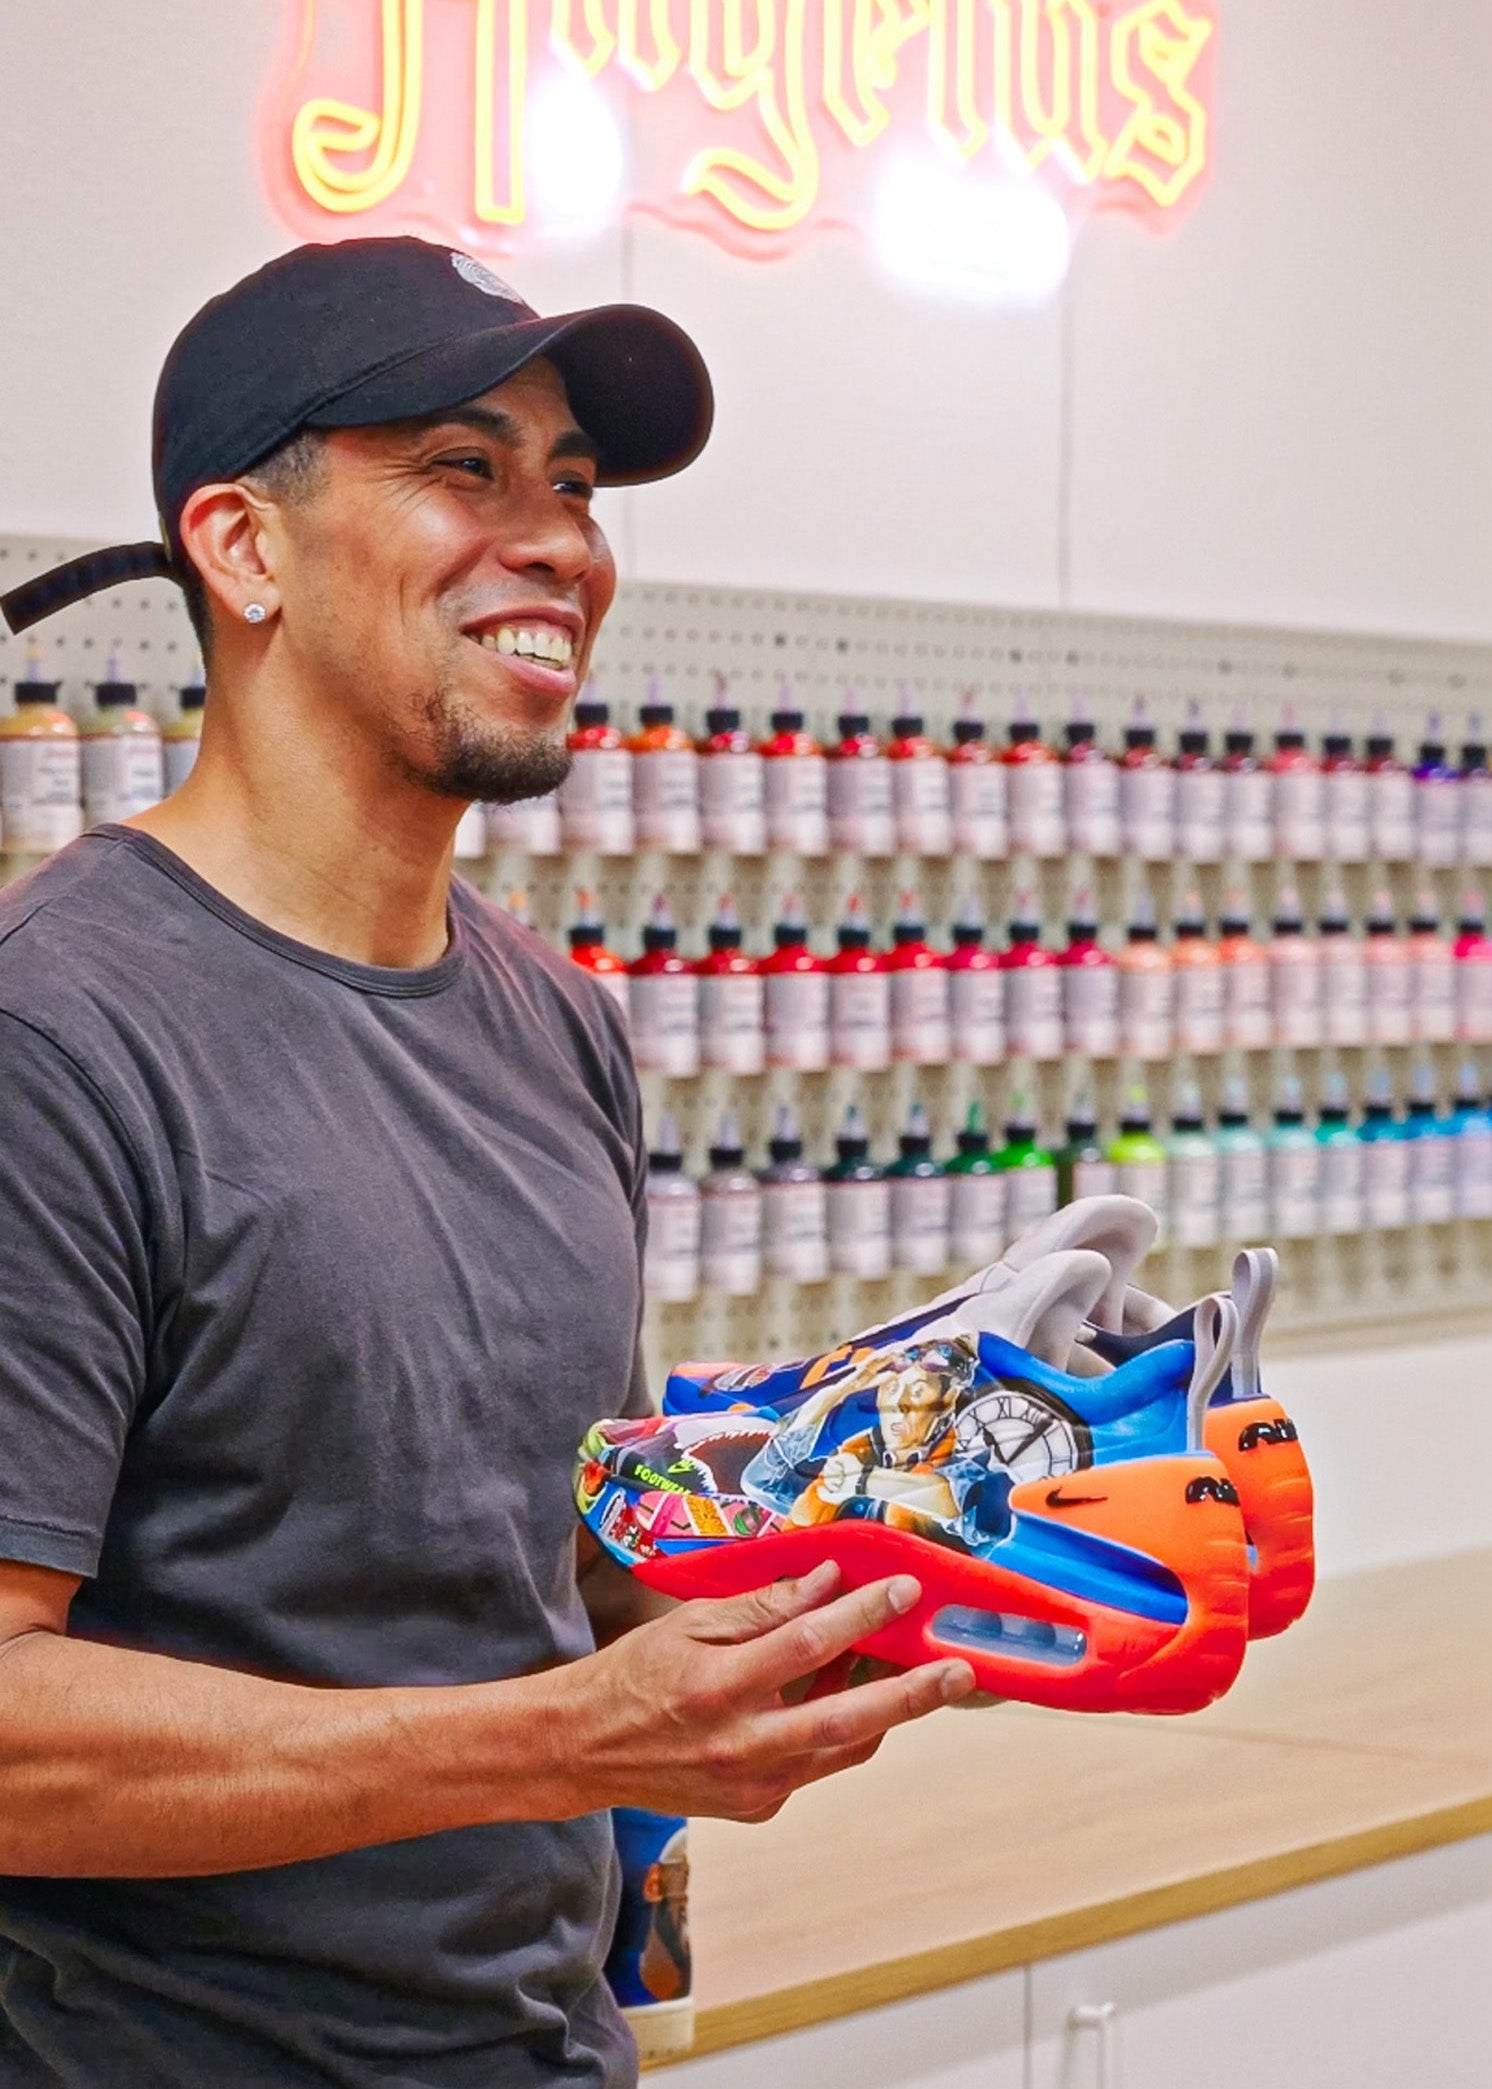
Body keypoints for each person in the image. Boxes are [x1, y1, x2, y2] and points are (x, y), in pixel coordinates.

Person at [0, 237, 975, 2087]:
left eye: (577, 487)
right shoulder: (58, 1036)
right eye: (464, 467)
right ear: (242, 545)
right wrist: (564, 1737)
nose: (560, 546)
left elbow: (584, 1562)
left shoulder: (559, 1022)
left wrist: (913, 1566)